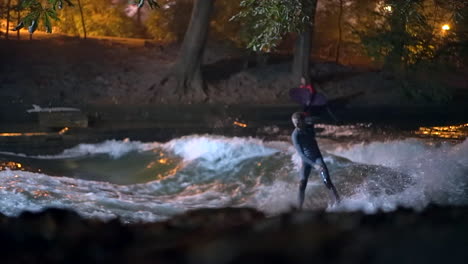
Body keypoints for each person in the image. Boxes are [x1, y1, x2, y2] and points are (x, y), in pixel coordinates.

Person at [291, 111, 340, 210]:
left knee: (327, 181)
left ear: (303, 121)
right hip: (306, 161)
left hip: (317, 158)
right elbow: (301, 155)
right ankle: (298, 209)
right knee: (301, 185)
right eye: (294, 122)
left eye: (298, 122)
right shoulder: (295, 135)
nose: (296, 125)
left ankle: (338, 203)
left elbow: (319, 118)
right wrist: (315, 165)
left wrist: (310, 118)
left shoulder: (309, 126)